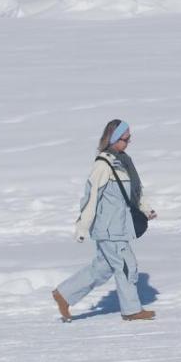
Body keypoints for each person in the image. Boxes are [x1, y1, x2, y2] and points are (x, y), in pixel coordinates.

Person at [53, 119, 158, 323]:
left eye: (129, 138)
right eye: (125, 139)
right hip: (109, 228)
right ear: (114, 138)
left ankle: (64, 294)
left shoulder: (124, 162)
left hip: (121, 226)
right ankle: (131, 310)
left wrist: (146, 209)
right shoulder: (103, 165)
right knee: (127, 265)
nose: (128, 142)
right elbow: (90, 197)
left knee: (103, 268)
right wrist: (82, 227)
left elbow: (135, 191)